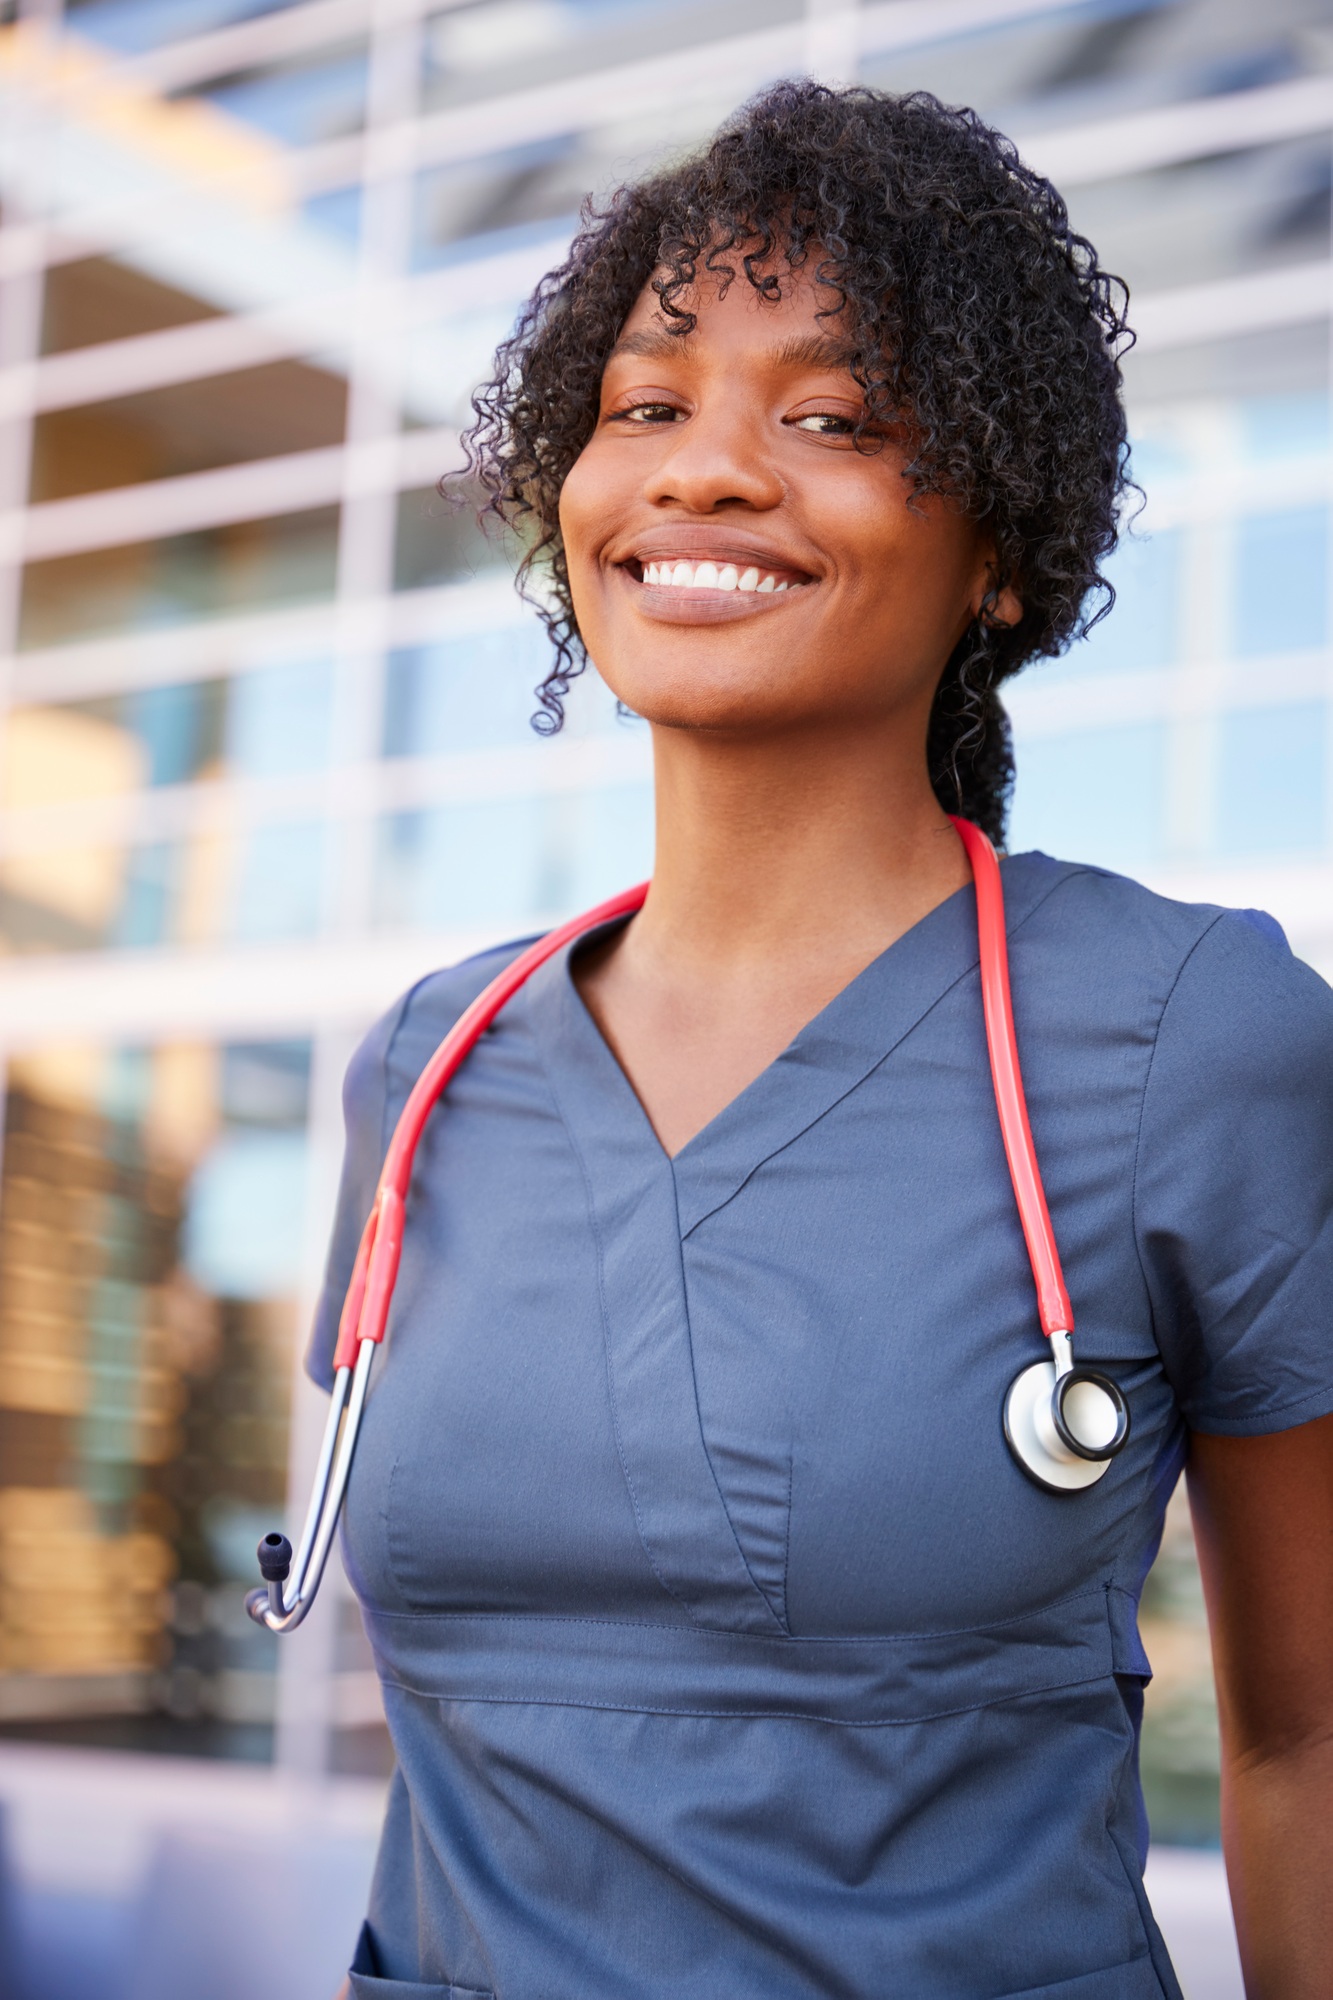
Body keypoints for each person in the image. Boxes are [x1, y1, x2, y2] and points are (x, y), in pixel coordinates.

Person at [319, 81, 1333, 2000]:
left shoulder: (1191, 1037)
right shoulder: (430, 1065)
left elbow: (1307, 1738)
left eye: (833, 416)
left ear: (1001, 554)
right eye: (646, 405)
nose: (703, 469)